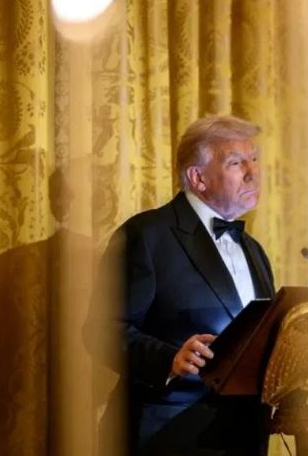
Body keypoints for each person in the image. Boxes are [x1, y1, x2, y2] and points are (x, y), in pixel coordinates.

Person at [90, 115, 275, 456]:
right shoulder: (147, 235)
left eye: (254, 159)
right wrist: (170, 359)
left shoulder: (254, 249)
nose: (253, 172)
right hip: (167, 433)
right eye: (236, 162)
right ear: (197, 177)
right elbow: (101, 332)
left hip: (244, 435)